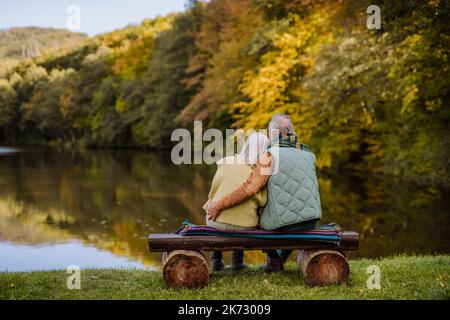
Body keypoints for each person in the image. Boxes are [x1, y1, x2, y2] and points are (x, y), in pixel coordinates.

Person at [207, 114, 322, 272]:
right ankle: (277, 260)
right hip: (312, 220)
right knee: (291, 215)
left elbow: (251, 188)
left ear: (274, 133)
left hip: (285, 225)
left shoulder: (268, 156)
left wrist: (219, 204)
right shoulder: (309, 155)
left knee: (265, 215)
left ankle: (274, 261)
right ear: (292, 131)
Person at [203, 132, 269, 271]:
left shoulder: (226, 161)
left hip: (215, 221)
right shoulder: (260, 171)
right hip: (245, 226)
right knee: (248, 213)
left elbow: (213, 191)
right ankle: (237, 262)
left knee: (216, 209)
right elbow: (263, 201)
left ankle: (216, 260)